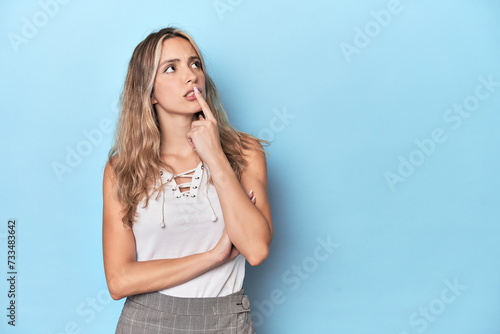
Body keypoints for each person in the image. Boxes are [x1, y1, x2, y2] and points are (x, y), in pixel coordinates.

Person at [102, 27, 273, 333]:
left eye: (195, 64)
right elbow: (119, 280)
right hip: (147, 319)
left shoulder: (245, 153)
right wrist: (213, 257)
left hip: (226, 320)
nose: (191, 76)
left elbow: (257, 248)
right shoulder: (123, 167)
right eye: (171, 68)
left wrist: (216, 158)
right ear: (149, 91)